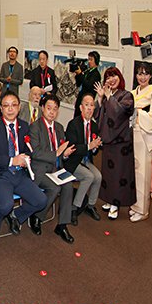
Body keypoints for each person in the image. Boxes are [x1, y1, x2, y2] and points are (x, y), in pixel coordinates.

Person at [0, 92, 48, 241]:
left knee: (41, 201)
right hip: (1, 174)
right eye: (6, 105)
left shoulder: (24, 126)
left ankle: (16, 216)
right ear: (1, 108)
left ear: (19, 107)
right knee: (6, 205)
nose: (10, 109)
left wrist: (26, 157)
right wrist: (11, 161)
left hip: (20, 174)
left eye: (14, 105)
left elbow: (28, 150)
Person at [27, 93, 76, 243]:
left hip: (56, 169)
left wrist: (64, 155)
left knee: (68, 185)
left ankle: (62, 225)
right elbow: (35, 153)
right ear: (42, 108)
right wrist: (57, 153)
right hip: (40, 170)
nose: (52, 112)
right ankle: (37, 216)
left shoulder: (60, 128)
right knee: (55, 188)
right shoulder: (35, 127)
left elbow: (61, 154)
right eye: (49, 108)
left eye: (55, 109)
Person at [95, 67, 135, 220]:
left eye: (114, 76)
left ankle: (116, 204)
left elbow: (119, 113)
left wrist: (108, 97)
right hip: (108, 140)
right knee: (108, 173)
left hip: (121, 143)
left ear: (120, 77)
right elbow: (99, 116)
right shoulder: (107, 96)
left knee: (119, 174)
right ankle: (109, 199)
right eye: (108, 77)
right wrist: (100, 99)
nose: (111, 80)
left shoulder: (127, 95)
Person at [129, 64, 152, 221]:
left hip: (144, 135)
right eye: (139, 74)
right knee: (133, 172)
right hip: (132, 134)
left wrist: (138, 113)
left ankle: (143, 211)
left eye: (145, 74)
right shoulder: (133, 92)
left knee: (143, 173)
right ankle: (135, 205)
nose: (142, 77)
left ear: (150, 76)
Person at [65, 93, 103, 224]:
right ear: (81, 108)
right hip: (73, 161)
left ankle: (90, 206)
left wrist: (95, 147)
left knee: (98, 177)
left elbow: (94, 151)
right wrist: (89, 146)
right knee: (89, 176)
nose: (89, 108)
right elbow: (73, 148)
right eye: (87, 105)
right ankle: (74, 208)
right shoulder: (73, 124)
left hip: (86, 160)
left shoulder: (94, 126)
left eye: (92, 105)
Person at [74, 51, 102, 116]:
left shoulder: (96, 74)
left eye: (91, 60)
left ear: (96, 61)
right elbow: (78, 84)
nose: (89, 61)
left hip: (87, 103)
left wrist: (80, 74)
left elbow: (88, 85)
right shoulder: (87, 71)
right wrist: (78, 74)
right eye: (88, 59)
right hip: (80, 101)